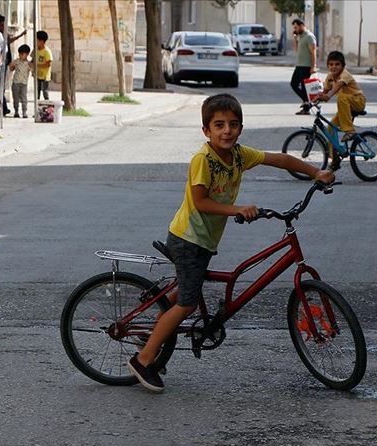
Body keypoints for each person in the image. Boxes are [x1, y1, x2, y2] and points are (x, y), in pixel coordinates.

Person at [126, 94, 335, 393]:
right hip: (187, 238)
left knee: (189, 289)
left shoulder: (238, 155)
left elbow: (280, 159)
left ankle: (154, 333)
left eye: (233, 125)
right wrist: (237, 209)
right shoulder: (203, 160)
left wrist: (317, 172)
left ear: (241, 128)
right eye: (219, 125)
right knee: (187, 303)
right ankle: (143, 360)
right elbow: (200, 202)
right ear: (206, 131)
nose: (227, 131)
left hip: (204, 240)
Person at [318, 51, 366, 171]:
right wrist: (311, 102)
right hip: (346, 107)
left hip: (358, 102)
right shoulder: (329, 77)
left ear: (343, 66)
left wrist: (328, 96)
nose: (333, 67)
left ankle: (350, 130)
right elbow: (324, 92)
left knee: (342, 96)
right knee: (330, 128)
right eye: (331, 64)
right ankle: (335, 159)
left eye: (337, 64)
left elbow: (338, 86)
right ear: (328, 65)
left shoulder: (345, 75)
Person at [0, 14, 27, 115]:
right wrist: (20, 35)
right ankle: (3, 107)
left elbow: (9, 41)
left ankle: (4, 107)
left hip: (6, 62)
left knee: (3, 86)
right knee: (1, 86)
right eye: (3, 24)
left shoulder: (4, 33)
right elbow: (8, 41)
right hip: (1, 63)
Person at [290, 18, 317, 115]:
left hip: (306, 66)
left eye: (296, 27)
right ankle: (307, 101)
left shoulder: (309, 37)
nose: (295, 30)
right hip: (299, 65)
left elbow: (313, 52)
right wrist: (294, 38)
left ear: (302, 25)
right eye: (294, 28)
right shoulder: (300, 36)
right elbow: (295, 49)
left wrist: (313, 66)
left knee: (304, 87)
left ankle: (306, 107)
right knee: (293, 84)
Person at [9, 44, 32, 118]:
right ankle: (16, 111)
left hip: (24, 84)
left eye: (23, 54)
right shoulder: (17, 61)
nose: (21, 55)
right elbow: (11, 68)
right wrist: (12, 65)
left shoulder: (28, 63)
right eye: (20, 53)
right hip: (16, 83)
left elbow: (33, 70)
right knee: (15, 99)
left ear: (27, 54)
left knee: (24, 99)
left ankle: (24, 112)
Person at [35, 30, 53, 100]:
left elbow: (49, 63)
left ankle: (47, 104)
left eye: (36, 40)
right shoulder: (36, 50)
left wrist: (38, 66)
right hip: (38, 74)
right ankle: (37, 104)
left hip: (45, 76)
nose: (35, 42)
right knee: (37, 91)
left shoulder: (46, 51)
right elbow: (32, 58)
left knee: (45, 91)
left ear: (41, 41)